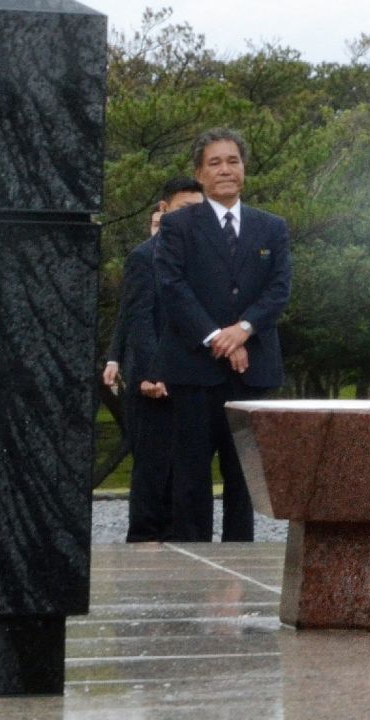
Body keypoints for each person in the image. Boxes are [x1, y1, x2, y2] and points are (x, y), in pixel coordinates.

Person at [155, 128, 293, 542]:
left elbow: (279, 288)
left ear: (244, 169)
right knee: (192, 476)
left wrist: (243, 330)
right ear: (199, 173)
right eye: (214, 163)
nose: (225, 170)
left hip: (252, 371)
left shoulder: (271, 227)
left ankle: (239, 565)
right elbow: (172, 287)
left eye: (233, 161)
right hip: (195, 371)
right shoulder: (178, 225)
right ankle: (194, 567)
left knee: (244, 477)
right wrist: (218, 337)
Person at [105, 177, 205, 541]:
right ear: (164, 210)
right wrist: (151, 372)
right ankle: (144, 546)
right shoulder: (144, 257)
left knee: (187, 473)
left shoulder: (204, 259)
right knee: (152, 469)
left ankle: (184, 548)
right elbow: (139, 319)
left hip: (192, 383)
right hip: (153, 383)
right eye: (184, 209)